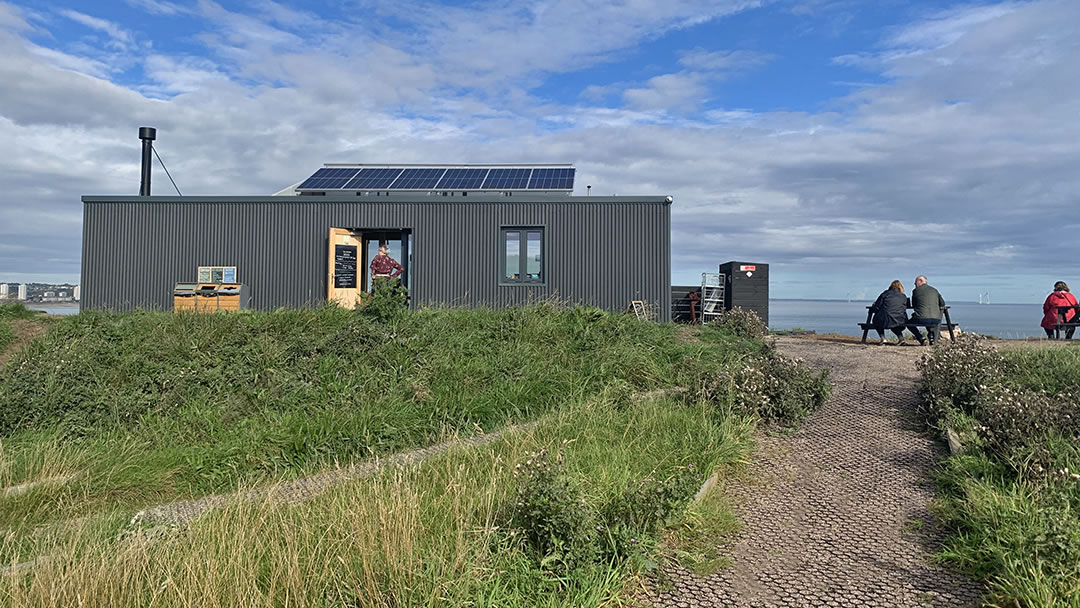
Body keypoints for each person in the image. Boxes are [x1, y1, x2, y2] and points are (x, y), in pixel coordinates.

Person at [908, 275, 946, 345]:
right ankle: (931, 338)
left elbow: (914, 305)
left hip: (922, 318)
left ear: (920, 281)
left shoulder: (915, 291)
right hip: (936, 319)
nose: (914, 284)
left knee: (909, 323)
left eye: (915, 282)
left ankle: (921, 339)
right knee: (928, 319)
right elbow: (942, 303)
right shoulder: (934, 290)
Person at [869, 280, 909, 345]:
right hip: (900, 320)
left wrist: (872, 308)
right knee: (894, 324)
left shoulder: (885, 294)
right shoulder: (903, 296)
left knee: (876, 320)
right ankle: (901, 338)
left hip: (885, 319)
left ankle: (883, 338)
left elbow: (877, 307)